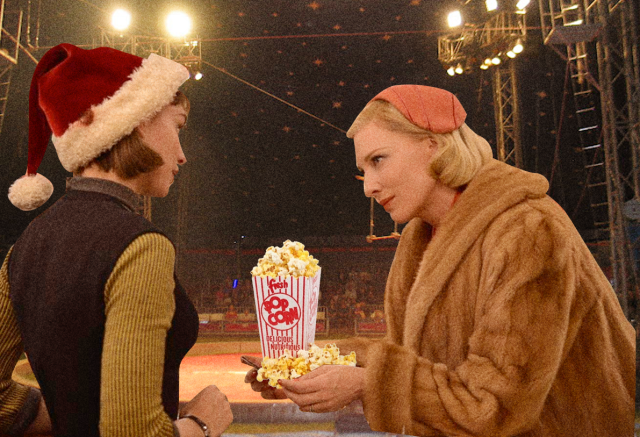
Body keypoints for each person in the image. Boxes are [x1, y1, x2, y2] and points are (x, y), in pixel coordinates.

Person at [244, 85, 635, 436]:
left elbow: (493, 406)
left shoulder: (527, 228)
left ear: (433, 144)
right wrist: (307, 367)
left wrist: (366, 383)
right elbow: (413, 363)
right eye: (362, 171)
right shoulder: (422, 235)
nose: (369, 186)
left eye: (379, 160)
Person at [0, 44, 232, 437]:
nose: (182, 154)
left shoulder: (26, 245)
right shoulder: (141, 245)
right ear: (137, 121)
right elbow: (131, 432)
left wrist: (72, 419)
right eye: (177, 127)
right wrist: (202, 423)